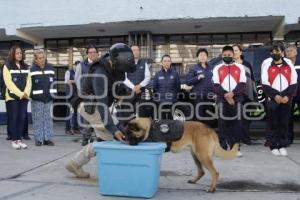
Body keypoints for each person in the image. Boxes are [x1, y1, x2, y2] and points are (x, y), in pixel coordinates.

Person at [65, 43, 136, 178]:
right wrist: (114, 130)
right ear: (114, 63)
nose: (123, 72)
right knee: (113, 136)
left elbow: (115, 86)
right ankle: (116, 172)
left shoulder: (115, 67)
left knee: (105, 140)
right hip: (89, 106)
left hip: (97, 105)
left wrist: (126, 91)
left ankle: (75, 163)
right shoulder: (99, 73)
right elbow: (102, 106)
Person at [261, 43, 297, 156]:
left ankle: (282, 144)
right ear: (271, 53)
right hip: (273, 99)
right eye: (273, 52)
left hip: (286, 99)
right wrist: (275, 95)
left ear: (282, 52)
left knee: (284, 123)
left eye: (278, 51)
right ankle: (273, 145)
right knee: (273, 123)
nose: (276, 54)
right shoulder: (267, 65)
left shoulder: (289, 64)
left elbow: (293, 82)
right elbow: (265, 83)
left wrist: (287, 96)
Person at [212, 45, 246, 157]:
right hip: (222, 98)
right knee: (223, 123)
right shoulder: (217, 68)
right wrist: (227, 95)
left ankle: (235, 147)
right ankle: (223, 147)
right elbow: (216, 85)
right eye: (225, 55)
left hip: (237, 98)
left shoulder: (240, 67)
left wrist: (233, 94)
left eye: (229, 55)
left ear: (233, 55)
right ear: (222, 56)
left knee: (236, 123)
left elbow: (242, 84)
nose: (227, 56)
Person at [3, 45, 31, 149]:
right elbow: (8, 83)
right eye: (17, 53)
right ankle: (14, 140)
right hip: (12, 97)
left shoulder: (26, 66)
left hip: (24, 97)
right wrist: (20, 93)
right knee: (14, 118)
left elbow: (29, 81)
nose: (19, 55)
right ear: (13, 54)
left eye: (20, 53)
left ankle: (19, 140)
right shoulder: (7, 66)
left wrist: (26, 93)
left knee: (22, 118)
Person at [30, 49, 56, 146]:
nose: (42, 60)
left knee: (48, 119)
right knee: (38, 119)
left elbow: (53, 82)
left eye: (43, 58)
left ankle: (47, 139)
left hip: (48, 98)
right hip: (37, 99)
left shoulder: (50, 67)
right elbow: (29, 85)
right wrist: (31, 95)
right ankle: (39, 139)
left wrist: (53, 95)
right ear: (36, 60)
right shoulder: (32, 70)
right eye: (39, 58)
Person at [74, 44, 99, 146]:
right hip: (86, 96)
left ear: (97, 53)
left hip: (98, 95)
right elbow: (77, 79)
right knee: (87, 118)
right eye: (90, 52)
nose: (92, 54)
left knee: (98, 117)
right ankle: (85, 138)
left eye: (94, 52)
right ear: (87, 54)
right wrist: (81, 92)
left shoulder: (100, 64)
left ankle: (99, 137)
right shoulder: (81, 65)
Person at [232, 44, 256, 145]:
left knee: (246, 118)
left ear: (241, 52)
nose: (234, 52)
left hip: (247, 94)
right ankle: (236, 139)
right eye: (233, 51)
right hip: (234, 94)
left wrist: (254, 95)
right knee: (235, 118)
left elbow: (252, 79)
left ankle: (246, 138)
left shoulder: (247, 64)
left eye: (236, 50)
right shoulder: (229, 65)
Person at [186, 48, 215, 126]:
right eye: (201, 55)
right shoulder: (194, 68)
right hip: (198, 97)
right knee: (199, 117)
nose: (203, 57)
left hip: (210, 97)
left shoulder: (212, 68)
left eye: (204, 55)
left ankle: (207, 135)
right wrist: (197, 78)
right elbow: (188, 82)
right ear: (197, 57)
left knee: (209, 117)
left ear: (207, 57)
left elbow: (216, 82)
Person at [120, 44, 151, 118]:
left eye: (137, 50)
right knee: (127, 115)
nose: (136, 52)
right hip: (128, 93)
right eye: (134, 50)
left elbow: (148, 77)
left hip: (140, 92)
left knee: (142, 114)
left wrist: (139, 86)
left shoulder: (144, 63)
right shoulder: (126, 63)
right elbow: (124, 78)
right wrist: (134, 87)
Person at [152, 55, 181, 119]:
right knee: (161, 120)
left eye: (168, 61)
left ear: (171, 62)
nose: (166, 63)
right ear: (161, 62)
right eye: (164, 61)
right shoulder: (157, 74)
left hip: (172, 102)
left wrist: (173, 96)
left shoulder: (175, 74)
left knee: (171, 120)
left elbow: (178, 87)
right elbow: (155, 88)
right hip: (160, 102)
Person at [285, 44, 300, 145]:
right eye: (287, 51)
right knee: (288, 117)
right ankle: (289, 138)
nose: (289, 52)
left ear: (296, 52)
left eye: (291, 50)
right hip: (289, 94)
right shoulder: (285, 64)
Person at [65, 60, 80, 135]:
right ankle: (67, 129)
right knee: (69, 112)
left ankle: (76, 129)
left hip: (76, 95)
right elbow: (67, 81)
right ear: (74, 65)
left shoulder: (79, 73)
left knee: (76, 112)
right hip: (69, 95)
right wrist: (76, 81)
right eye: (76, 66)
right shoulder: (68, 72)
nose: (77, 68)